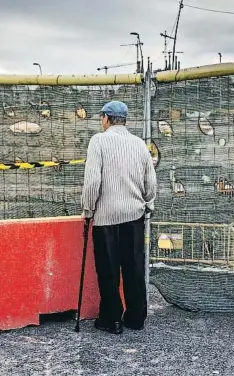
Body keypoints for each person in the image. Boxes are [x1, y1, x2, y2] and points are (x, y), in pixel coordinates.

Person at [81, 100, 157, 334]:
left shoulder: (98, 141)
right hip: (134, 216)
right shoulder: (139, 144)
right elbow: (150, 182)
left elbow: (93, 181)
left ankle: (111, 318)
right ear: (125, 120)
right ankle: (136, 318)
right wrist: (147, 203)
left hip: (106, 217)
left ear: (105, 118)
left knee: (108, 270)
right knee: (134, 268)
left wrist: (87, 210)